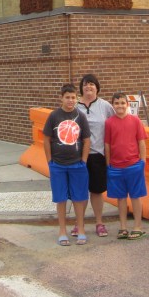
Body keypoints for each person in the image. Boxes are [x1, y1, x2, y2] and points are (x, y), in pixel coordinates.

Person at [43, 83, 91, 246]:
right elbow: (46, 139)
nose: (70, 100)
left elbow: (86, 139)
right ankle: (62, 231)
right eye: (67, 97)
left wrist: (84, 160)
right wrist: (50, 161)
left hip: (77, 164)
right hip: (58, 165)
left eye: (73, 97)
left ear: (76, 98)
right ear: (61, 98)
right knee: (61, 199)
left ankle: (81, 230)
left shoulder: (81, 116)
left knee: (79, 198)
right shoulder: (54, 116)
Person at [75, 73, 114, 238]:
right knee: (80, 191)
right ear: (81, 88)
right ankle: (79, 224)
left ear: (97, 87)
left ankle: (99, 223)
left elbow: (115, 124)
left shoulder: (105, 106)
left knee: (97, 191)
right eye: (85, 84)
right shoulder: (75, 106)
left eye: (91, 84)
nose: (88, 87)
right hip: (78, 156)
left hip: (98, 155)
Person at [105, 93, 148, 239]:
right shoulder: (109, 123)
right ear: (113, 105)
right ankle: (123, 227)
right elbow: (107, 145)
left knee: (136, 197)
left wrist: (143, 162)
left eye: (123, 103)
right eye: (116, 103)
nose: (120, 106)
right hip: (115, 168)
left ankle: (137, 226)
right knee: (121, 198)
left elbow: (141, 142)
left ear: (127, 105)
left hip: (134, 165)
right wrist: (108, 165)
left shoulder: (135, 121)